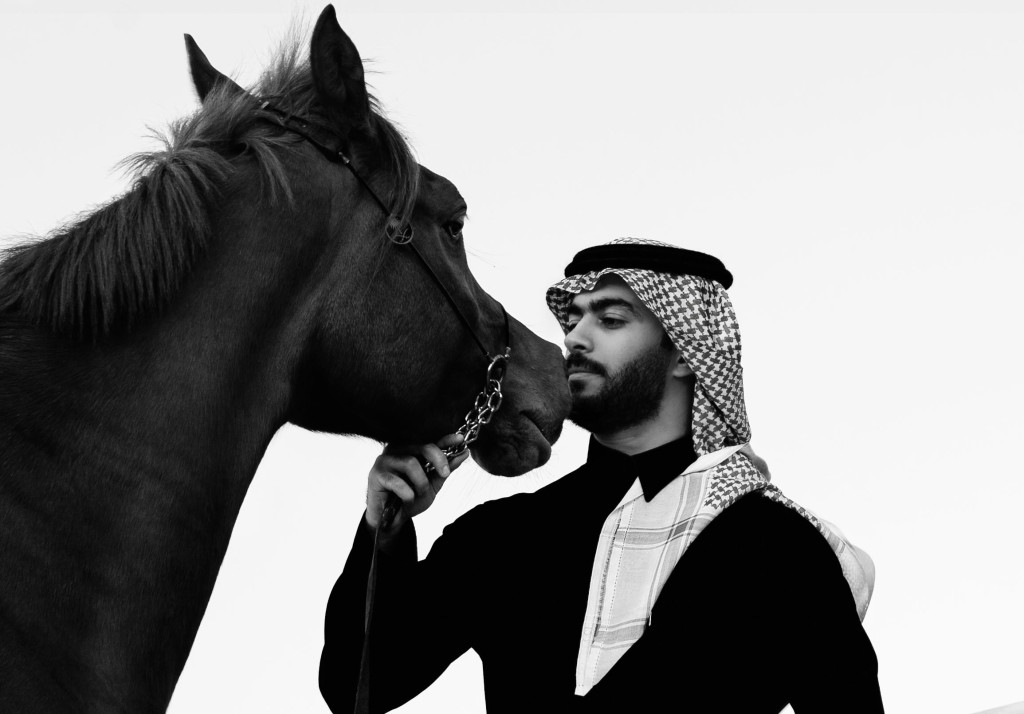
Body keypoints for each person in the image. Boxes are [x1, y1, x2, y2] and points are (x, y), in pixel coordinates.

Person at [319, 238, 884, 713]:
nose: (574, 339)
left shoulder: (776, 547)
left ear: (686, 352)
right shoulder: (505, 538)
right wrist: (384, 532)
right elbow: (356, 689)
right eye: (573, 319)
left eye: (610, 319)